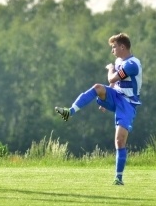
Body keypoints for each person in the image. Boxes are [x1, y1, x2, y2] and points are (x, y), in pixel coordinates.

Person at [54, 33, 142, 185]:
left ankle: (118, 178)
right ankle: (70, 112)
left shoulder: (132, 64)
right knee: (97, 88)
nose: (112, 51)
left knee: (119, 141)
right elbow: (113, 85)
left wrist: (110, 68)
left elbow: (112, 79)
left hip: (128, 104)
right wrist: (105, 99)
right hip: (116, 97)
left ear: (122, 47)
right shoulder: (119, 60)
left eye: (114, 47)